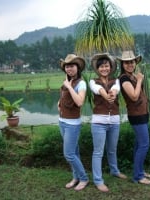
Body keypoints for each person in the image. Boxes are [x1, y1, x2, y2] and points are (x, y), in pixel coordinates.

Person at [90, 53, 127, 192]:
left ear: (110, 68)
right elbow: (97, 90)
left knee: (112, 149)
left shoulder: (115, 80)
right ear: (97, 69)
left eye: (107, 66)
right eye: (101, 66)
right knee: (98, 152)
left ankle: (114, 170)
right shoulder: (93, 81)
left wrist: (112, 93)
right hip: (99, 122)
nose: (104, 68)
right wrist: (106, 95)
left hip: (115, 121)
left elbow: (116, 89)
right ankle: (98, 180)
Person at [117, 50, 150, 185]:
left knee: (139, 144)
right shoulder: (124, 78)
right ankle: (137, 176)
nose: (129, 64)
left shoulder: (132, 76)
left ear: (135, 62)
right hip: (136, 116)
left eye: (131, 62)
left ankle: (140, 171)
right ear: (122, 64)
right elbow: (134, 96)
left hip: (142, 113)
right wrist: (140, 80)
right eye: (126, 62)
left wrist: (138, 80)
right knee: (144, 144)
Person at [58, 54, 89, 191]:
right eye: (67, 66)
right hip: (62, 121)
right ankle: (75, 177)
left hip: (72, 124)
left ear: (78, 67)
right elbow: (64, 97)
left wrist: (69, 87)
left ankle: (84, 178)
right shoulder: (66, 81)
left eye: (72, 66)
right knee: (74, 153)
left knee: (69, 154)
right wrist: (59, 103)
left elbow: (80, 101)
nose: (69, 68)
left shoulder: (81, 83)